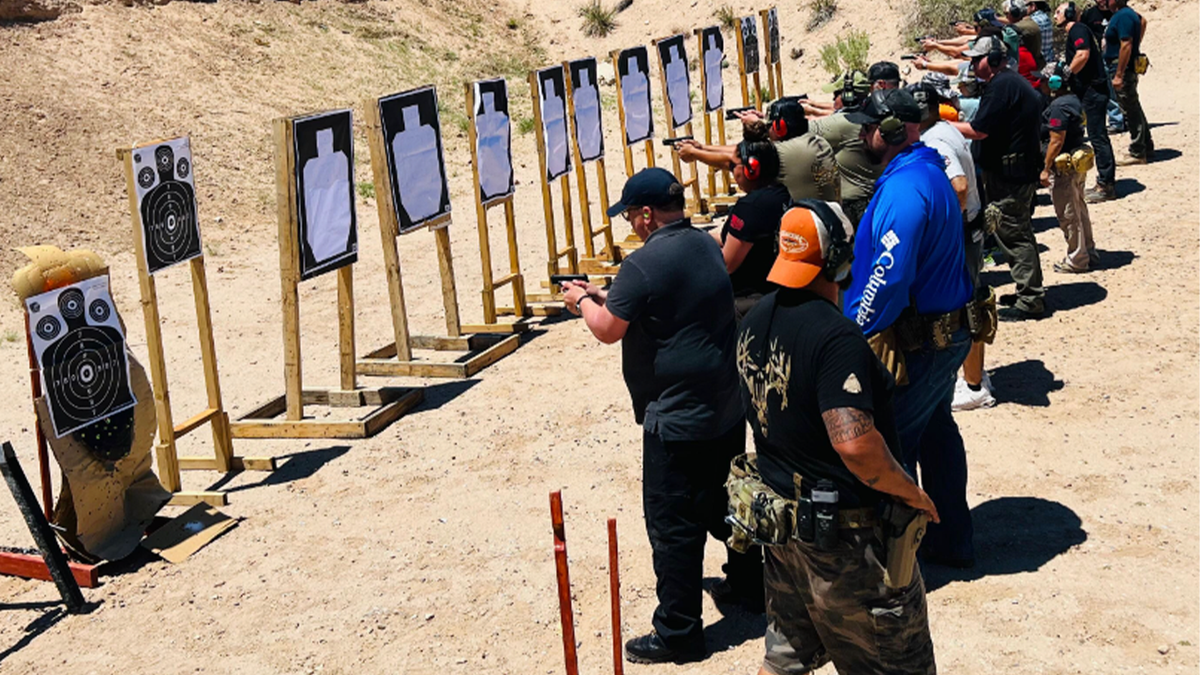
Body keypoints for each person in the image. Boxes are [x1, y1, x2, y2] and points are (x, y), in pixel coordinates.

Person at [560, 168, 761, 664]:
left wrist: (583, 300)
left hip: (676, 416)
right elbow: (659, 304)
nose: (630, 223)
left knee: (674, 526)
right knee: (727, 501)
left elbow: (608, 329)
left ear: (647, 214)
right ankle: (750, 586)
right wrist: (613, 298)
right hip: (723, 403)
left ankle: (679, 632)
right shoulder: (703, 245)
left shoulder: (643, 263)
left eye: (631, 214)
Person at [736, 202, 940, 675]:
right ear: (840, 260)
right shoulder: (836, 338)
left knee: (786, 654)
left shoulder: (751, 321)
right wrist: (914, 493)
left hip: (784, 526)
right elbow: (855, 444)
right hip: (846, 541)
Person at [842, 88, 976, 567]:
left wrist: (856, 328)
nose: (861, 133)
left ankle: (899, 559)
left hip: (924, 340)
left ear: (893, 132)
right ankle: (950, 537)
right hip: (941, 333)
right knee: (937, 433)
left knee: (892, 445)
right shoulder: (923, 170)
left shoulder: (904, 187)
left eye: (868, 126)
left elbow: (889, 274)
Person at [909, 75, 996, 411]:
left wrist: (946, 226)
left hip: (961, 234)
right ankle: (974, 377)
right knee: (969, 303)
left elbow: (958, 186)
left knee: (966, 309)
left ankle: (974, 386)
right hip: (970, 230)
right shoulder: (945, 128)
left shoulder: (935, 142)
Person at [953, 35, 1048, 322]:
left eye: (976, 59)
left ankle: (1030, 299)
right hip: (1014, 171)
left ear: (992, 60)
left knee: (1013, 233)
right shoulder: (1007, 82)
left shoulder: (1002, 86)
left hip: (1010, 175)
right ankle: (1027, 292)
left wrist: (943, 126)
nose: (971, 64)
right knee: (1016, 231)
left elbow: (979, 130)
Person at [713, 138, 790, 319]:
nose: (731, 171)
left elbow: (726, 265)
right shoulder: (781, 193)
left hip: (748, 299)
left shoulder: (750, 207)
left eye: (733, 166)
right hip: (773, 287)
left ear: (752, 169)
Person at [1057, 1, 1117, 203]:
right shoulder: (1079, 30)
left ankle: (1106, 185)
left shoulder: (1078, 29)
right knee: (1097, 135)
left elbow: (1083, 54)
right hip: (1091, 91)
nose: (1055, 15)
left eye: (1059, 11)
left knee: (1098, 136)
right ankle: (1105, 182)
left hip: (1093, 92)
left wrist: (1067, 72)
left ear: (1070, 14)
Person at [1042, 64, 1099, 273]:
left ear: (1054, 83)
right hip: (1076, 165)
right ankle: (1088, 251)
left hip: (1063, 169)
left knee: (1068, 214)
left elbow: (1056, 141)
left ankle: (1077, 259)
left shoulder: (1059, 107)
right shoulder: (1073, 100)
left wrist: (1045, 168)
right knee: (1079, 208)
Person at [810, 70, 886, 226]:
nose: (833, 98)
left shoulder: (843, 123)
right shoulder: (872, 117)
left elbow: (796, 130)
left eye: (837, 93)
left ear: (847, 96)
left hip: (850, 209)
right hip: (875, 201)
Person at [1105, 0, 1153, 163]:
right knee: (1134, 105)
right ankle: (1146, 144)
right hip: (1126, 64)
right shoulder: (1128, 14)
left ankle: (1138, 151)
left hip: (1121, 66)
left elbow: (1126, 44)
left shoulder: (1123, 16)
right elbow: (1143, 20)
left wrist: (1119, 74)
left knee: (1129, 109)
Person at [1080, 0, 1128, 134]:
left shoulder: (1118, 11)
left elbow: (1141, 22)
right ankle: (1116, 120)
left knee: (1120, 90)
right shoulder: (1090, 14)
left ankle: (1122, 120)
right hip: (1098, 57)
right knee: (1106, 89)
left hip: (1116, 56)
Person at [1005, 0, 1047, 71]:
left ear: (1014, 13)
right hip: (1036, 64)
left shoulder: (1016, 28)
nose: (1006, 17)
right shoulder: (1030, 22)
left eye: (1006, 13)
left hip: (1027, 68)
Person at [1030, 1, 1057, 67]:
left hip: (1040, 64)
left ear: (1033, 6)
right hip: (1048, 61)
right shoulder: (1045, 17)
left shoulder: (1037, 20)